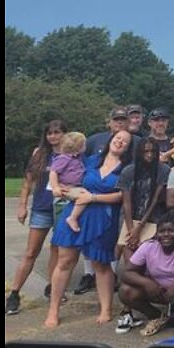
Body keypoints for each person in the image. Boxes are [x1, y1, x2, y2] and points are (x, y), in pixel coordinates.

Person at [45, 130, 129, 328]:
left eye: (125, 141)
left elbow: (122, 196)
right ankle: (53, 309)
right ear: (110, 140)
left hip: (103, 218)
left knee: (101, 264)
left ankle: (106, 308)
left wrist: (93, 197)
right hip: (75, 213)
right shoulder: (90, 160)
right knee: (65, 260)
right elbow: (67, 175)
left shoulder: (126, 168)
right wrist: (66, 190)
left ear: (127, 147)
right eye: (117, 138)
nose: (120, 141)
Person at [5, 120, 66, 315]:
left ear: (64, 134)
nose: (53, 136)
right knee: (31, 251)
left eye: (57, 133)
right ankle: (14, 293)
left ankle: (52, 287)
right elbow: (27, 182)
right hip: (41, 207)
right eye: (50, 133)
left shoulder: (71, 153)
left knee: (57, 251)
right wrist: (22, 205)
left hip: (62, 208)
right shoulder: (40, 154)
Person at [114, 139, 171, 332]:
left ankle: (154, 307)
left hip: (153, 221)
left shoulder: (163, 170)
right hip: (131, 221)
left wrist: (140, 228)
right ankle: (126, 311)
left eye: (152, 151)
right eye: (145, 151)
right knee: (130, 267)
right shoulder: (129, 171)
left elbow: (155, 200)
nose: (149, 155)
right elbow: (126, 202)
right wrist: (131, 229)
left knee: (148, 266)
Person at [49, 133, 88, 233]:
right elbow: (53, 172)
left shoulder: (77, 158)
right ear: (78, 146)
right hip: (68, 188)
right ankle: (72, 218)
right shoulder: (63, 158)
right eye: (84, 144)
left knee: (85, 193)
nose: (85, 146)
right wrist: (55, 187)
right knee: (84, 196)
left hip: (76, 187)